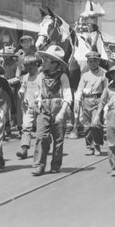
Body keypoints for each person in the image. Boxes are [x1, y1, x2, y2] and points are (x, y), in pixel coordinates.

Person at [31, 45, 72, 176]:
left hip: (58, 108)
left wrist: (62, 112)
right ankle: (39, 165)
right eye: (43, 58)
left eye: (46, 59)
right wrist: (37, 100)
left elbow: (68, 96)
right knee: (41, 136)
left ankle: (56, 164)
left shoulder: (62, 77)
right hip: (44, 109)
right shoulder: (40, 76)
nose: (42, 61)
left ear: (54, 64)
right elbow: (37, 92)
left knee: (58, 139)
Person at [75, 51, 108, 156]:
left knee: (96, 124)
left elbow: (106, 90)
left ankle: (97, 145)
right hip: (86, 101)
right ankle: (89, 145)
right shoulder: (85, 75)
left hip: (97, 101)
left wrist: (105, 104)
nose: (92, 63)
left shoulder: (103, 74)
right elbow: (80, 89)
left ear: (98, 62)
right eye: (90, 61)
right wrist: (77, 101)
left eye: (95, 61)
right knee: (87, 125)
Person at [16, 55, 42, 160]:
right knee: (26, 127)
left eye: (31, 67)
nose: (29, 70)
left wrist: (39, 97)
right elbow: (23, 88)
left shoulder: (41, 77)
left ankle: (42, 147)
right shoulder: (26, 77)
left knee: (41, 128)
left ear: (36, 66)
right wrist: (21, 92)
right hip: (28, 106)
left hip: (39, 106)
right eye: (27, 67)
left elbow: (43, 90)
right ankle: (24, 148)